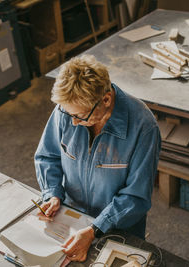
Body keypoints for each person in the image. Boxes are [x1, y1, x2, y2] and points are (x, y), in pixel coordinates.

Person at [34, 55, 161, 262]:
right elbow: (48, 156)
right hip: (70, 218)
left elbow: (136, 196)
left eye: (80, 116)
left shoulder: (143, 128)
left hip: (119, 227)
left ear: (106, 100)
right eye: (69, 114)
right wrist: (52, 194)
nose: (73, 123)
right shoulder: (67, 111)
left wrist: (95, 228)